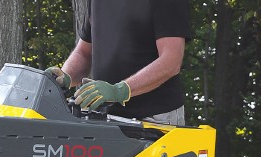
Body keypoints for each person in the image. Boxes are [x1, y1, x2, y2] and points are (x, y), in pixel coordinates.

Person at [46, 0, 191, 126]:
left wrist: (120, 91)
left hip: (155, 118)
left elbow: (171, 61)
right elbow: (84, 53)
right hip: (102, 116)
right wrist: (65, 77)